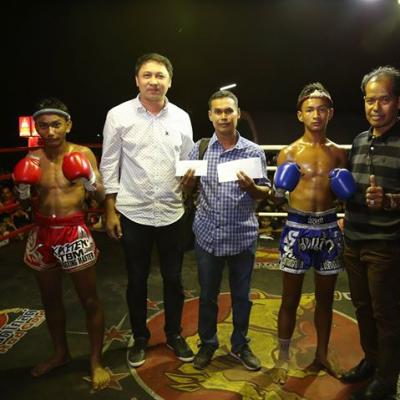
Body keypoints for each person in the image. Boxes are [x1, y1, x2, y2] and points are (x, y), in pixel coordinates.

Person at [100, 53, 194, 368]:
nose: (154, 81)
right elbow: (109, 163)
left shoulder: (181, 117)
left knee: (174, 279)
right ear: (137, 80)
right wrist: (110, 209)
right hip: (133, 210)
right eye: (147, 75)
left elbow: (187, 162)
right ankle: (140, 338)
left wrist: (191, 180)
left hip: (172, 210)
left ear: (170, 81)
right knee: (136, 279)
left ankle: (174, 334)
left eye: (160, 76)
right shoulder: (118, 115)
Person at [13, 98, 110, 391]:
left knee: (89, 300)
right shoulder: (33, 158)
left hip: (73, 232)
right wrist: (22, 189)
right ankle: (60, 353)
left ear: (68, 125)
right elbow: (23, 205)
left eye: (56, 124)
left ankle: (96, 361)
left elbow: (100, 196)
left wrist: (90, 180)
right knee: (50, 300)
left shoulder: (82, 153)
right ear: (37, 127)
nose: (50, 131)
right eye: (43, 126)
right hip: (42, 232)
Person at [181, 90, 271, 371]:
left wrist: (252, 188)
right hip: (207, 235)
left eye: (228, 111)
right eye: (218, 111)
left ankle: (240, 344)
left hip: (242, 236)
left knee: (242, 297)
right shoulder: (200, 149)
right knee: (207, 295)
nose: (223, 116)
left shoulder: (253, 152)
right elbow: (186, 191)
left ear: (237, 114)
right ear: (210, 116)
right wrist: (186, 185)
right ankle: (208, 343)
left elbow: (265, 192)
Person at [271, 83, 352, 384]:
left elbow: (346, 197)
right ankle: (282, 357)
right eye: (310, 110)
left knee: (326, 300)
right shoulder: (288, 152)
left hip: (328, 227)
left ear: (330, 113)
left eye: (321, 109)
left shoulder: (339, 153)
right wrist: (280, 188)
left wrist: (347, 214)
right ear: (300, 115)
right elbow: (277, 199)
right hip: (297, 227)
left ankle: (322, 354)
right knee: (289, 298)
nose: (316, 115)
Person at [341, 66, 400, 400]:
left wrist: (389, 200)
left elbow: (385, 198)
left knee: (385, 314)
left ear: (398, 101)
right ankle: (372, 361)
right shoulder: (360, 140)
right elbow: (355, 187)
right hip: (354, 239)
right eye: (369, 100)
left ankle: (387, 380)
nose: (376, 107)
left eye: (384, 99)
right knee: (362, 308)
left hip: (385, 244)